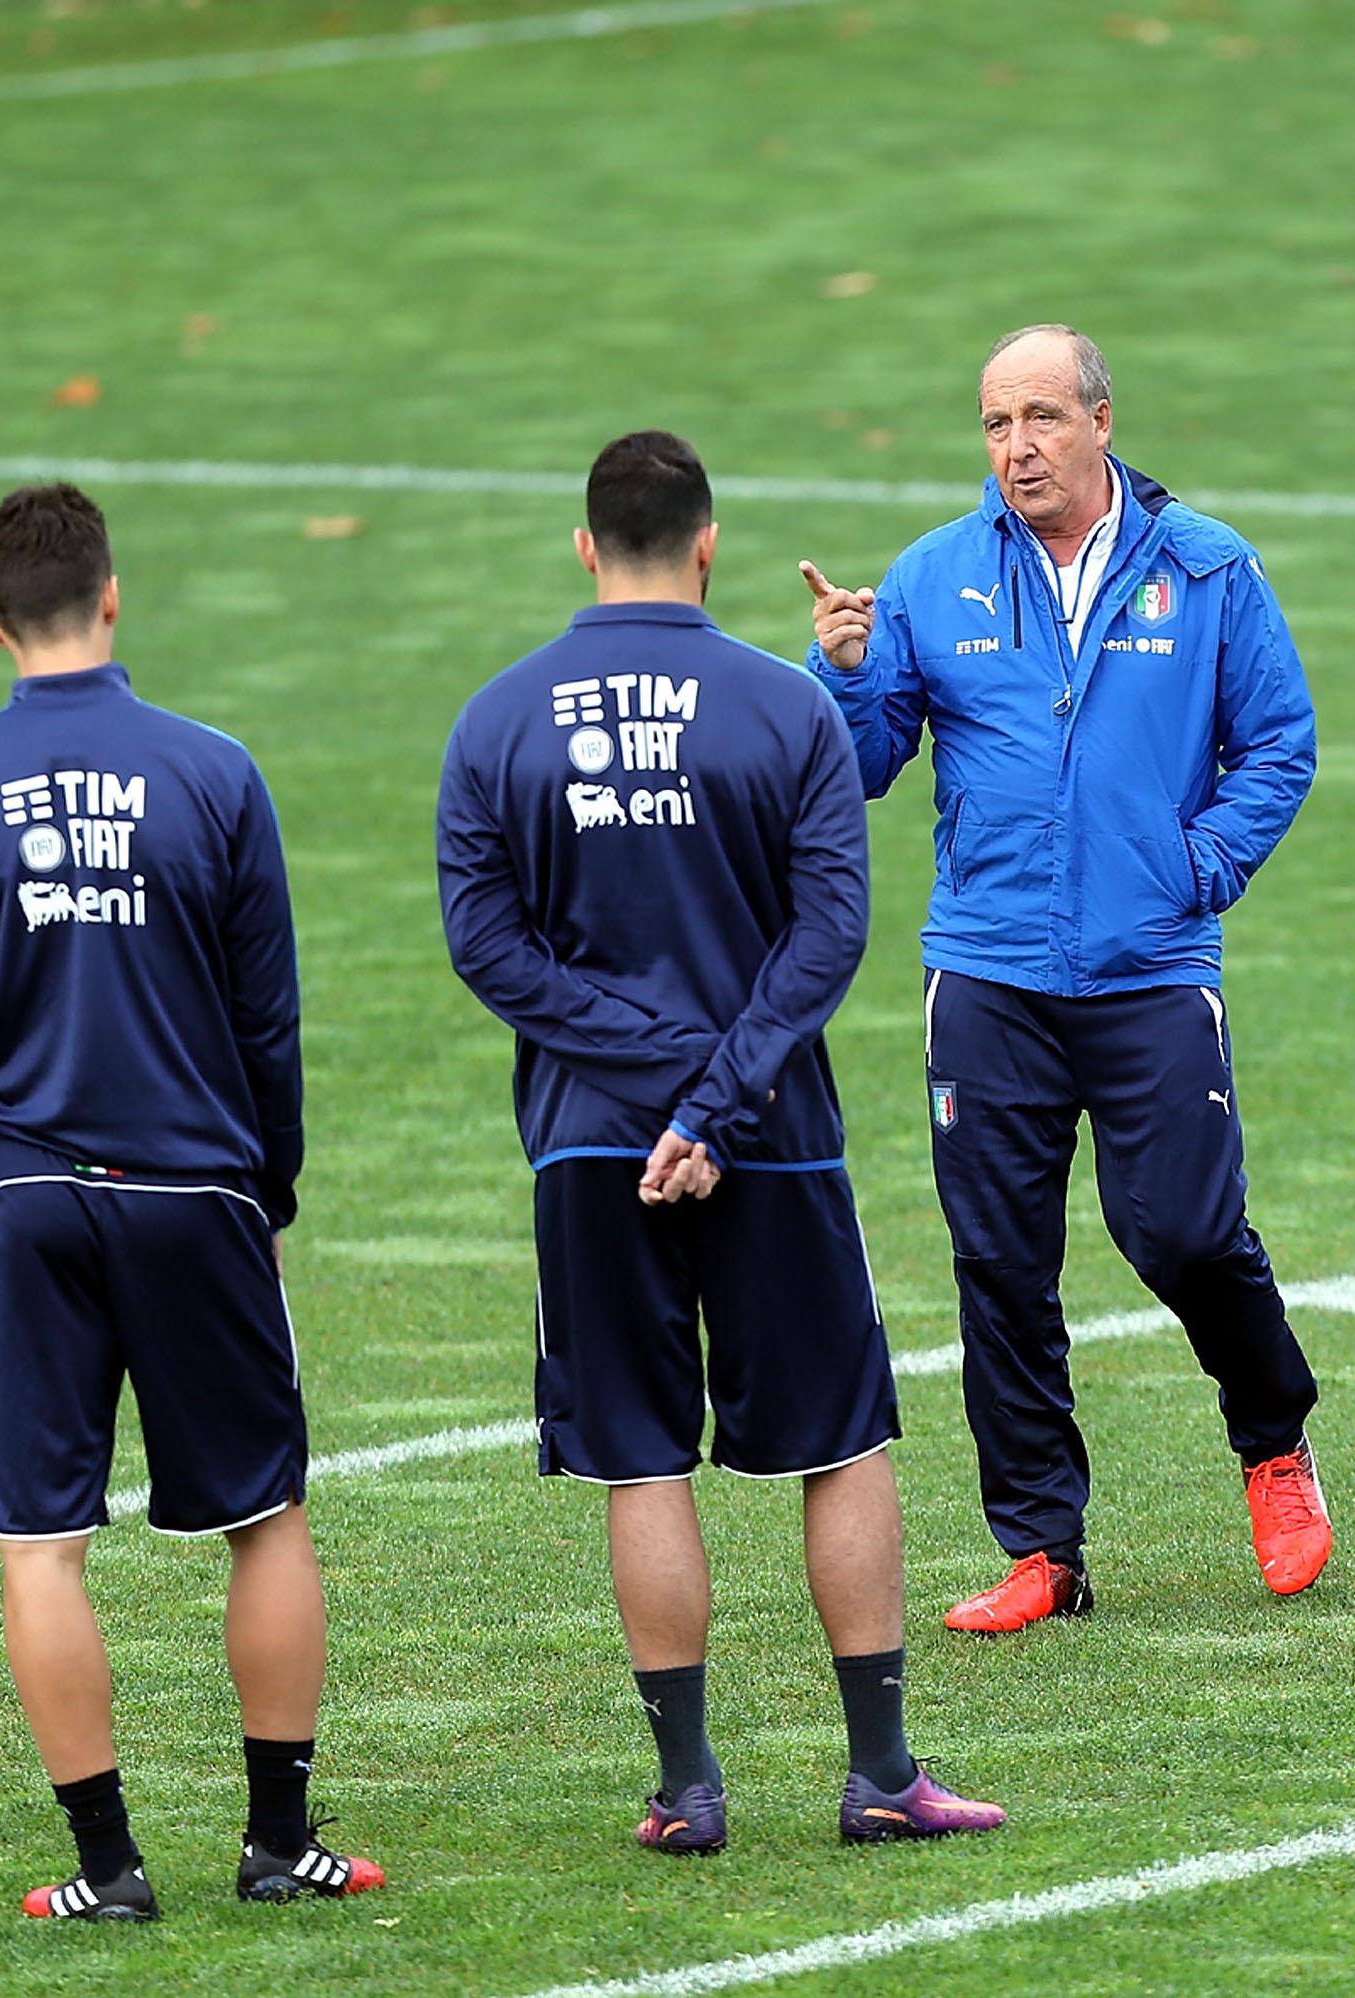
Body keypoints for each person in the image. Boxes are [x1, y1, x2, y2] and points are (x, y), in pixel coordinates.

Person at [0, 484, 381, 1919]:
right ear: (112, 596)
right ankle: (276, 1842)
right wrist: (275, 1177)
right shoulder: (211, 769)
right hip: (197, 1185)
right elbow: (270, 1012)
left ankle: (108, 1866)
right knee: (265, 1513)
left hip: (26, 1198)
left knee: (41, 1539)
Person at [439, 430, 1004, 1852]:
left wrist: (649, 1078)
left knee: (640, 1459)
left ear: (585, 547)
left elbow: (483, 945)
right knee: (840, 1443)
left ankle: (687, 1787)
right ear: (707, 544)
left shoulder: (498, 720)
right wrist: (713, 1094)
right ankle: (879, 1771)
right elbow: (829, 933)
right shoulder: (782, 710)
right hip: (776, 1141)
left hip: (585, 1146)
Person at [797, 324, 1330, 1633]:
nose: (1016, 446)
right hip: (986, 973)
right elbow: (867, 763)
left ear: (1100, 418)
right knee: (1000, 1263)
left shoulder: (1206, 568)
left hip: (1150, 968)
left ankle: (1272, 1442)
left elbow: (1279, 743)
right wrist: (847, 670)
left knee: (1187, 1233)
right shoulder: (932, 577)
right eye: (993, 423)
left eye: (1039, 416)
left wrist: (1194, 865)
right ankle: (1043, 1547)